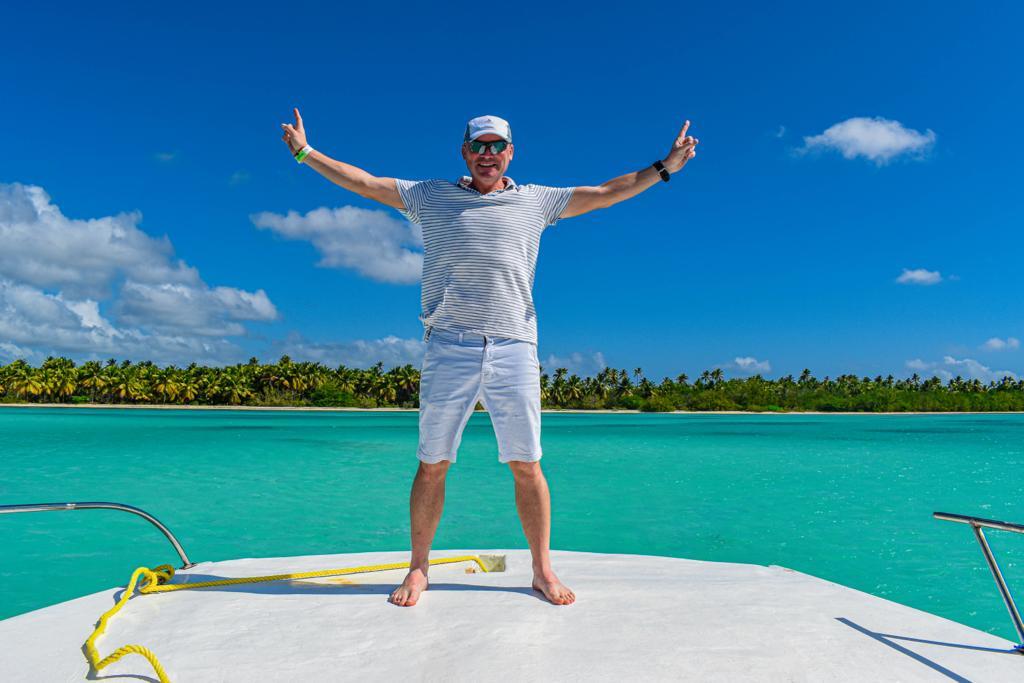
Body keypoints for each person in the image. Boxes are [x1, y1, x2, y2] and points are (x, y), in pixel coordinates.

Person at [280, 110, 699, 607]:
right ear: (464, 152)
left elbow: (607, 191)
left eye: (497, 146)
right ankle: (418, 569)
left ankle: (542, 570)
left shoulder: (536, 201)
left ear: (510, 153)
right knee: (432, 463)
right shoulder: (430, 196)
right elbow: (366, 183)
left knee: (527, 464)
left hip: (514, 346)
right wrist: (306, 153)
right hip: (448, 346)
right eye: (479, 146)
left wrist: (664, 167)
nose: (488, 155)